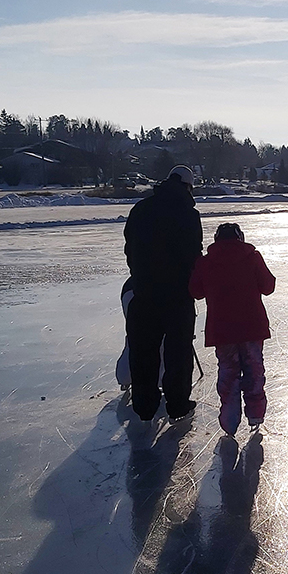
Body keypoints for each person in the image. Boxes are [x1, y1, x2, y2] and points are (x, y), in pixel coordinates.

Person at [124, 165, 202, 422]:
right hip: (178, 296)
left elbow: (129, 248)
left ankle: (144, 406)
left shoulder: (141, 209)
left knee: (143, 352)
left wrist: (140, 275)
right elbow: (194, 255)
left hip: (144, 293)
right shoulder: (188, 215)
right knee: (178, 353)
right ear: (188, 187)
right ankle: (178, 404)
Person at [189, 222, 276, 435]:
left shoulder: (205, 262)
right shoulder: (252, 257)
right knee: (254, 369)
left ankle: (229, 421)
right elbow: (269, 286)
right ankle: (255, 414)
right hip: (251, 327)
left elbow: (195, 291)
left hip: (222, 329)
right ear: (241, 238)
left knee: (228, 372)